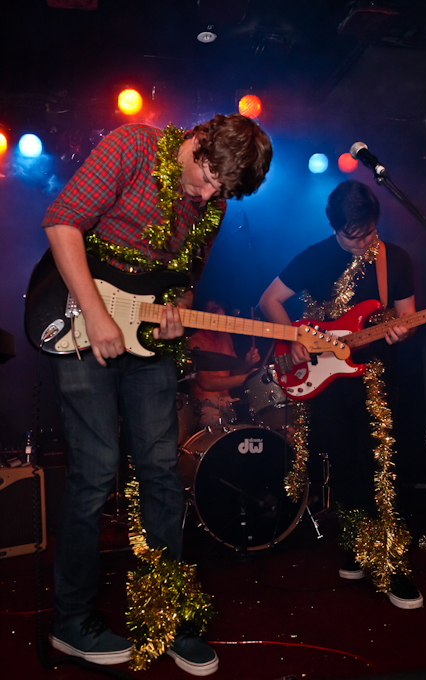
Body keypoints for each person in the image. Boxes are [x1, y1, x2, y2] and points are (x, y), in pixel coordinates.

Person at [41, 113, 272, 673]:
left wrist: (177, 310)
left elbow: (184, 280)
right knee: (95, 471)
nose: (209, 195)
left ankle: (167, 613)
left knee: (162, 473)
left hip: (148, 342)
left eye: (222, 190)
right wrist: (97, 314)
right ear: (198, 140)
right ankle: (70, 621)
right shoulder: (132, 147)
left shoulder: (213, 202)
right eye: (208, 177)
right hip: (82, 319)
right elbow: (61, 223)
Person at [259, 179, 423, 610]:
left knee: (381, 467)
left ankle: (391, 562)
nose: (363, 242)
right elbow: (269, 300)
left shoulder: (394, 259)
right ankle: (356, 547)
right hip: (328, 382)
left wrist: (402, 331)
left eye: (368, 232)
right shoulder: (314, 257)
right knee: (346, 465)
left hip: (376, 380)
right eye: (353, 236)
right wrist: (293, 335)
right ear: (334, 227)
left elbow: (406, 316)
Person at [188, 300, 260, 427]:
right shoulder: (194, 341)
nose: (221, 313)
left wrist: (247, 364)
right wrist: (245, 378)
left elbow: (233, 372)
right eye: (214, 310)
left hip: (228, 403)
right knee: (218, 425)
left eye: (222, 309)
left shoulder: (226, 337)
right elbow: (205, 383)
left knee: (254, 423)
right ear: (203, 314)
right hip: (205, 405)